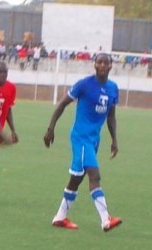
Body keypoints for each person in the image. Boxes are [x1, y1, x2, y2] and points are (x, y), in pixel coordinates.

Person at [43, 52, 122, 232]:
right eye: (99, 62)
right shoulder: (84, 85)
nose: (102, 65)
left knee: (76, 179)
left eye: (106, 62)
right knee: (95, 176)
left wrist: (114, 139)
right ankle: (106, 220)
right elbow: (62, 104)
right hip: (81, 137)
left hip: (94, 138)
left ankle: (60, 217)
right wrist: (50, 129)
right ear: (94, 65)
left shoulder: (113, 88)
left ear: (111, 66)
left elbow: (111, 116)